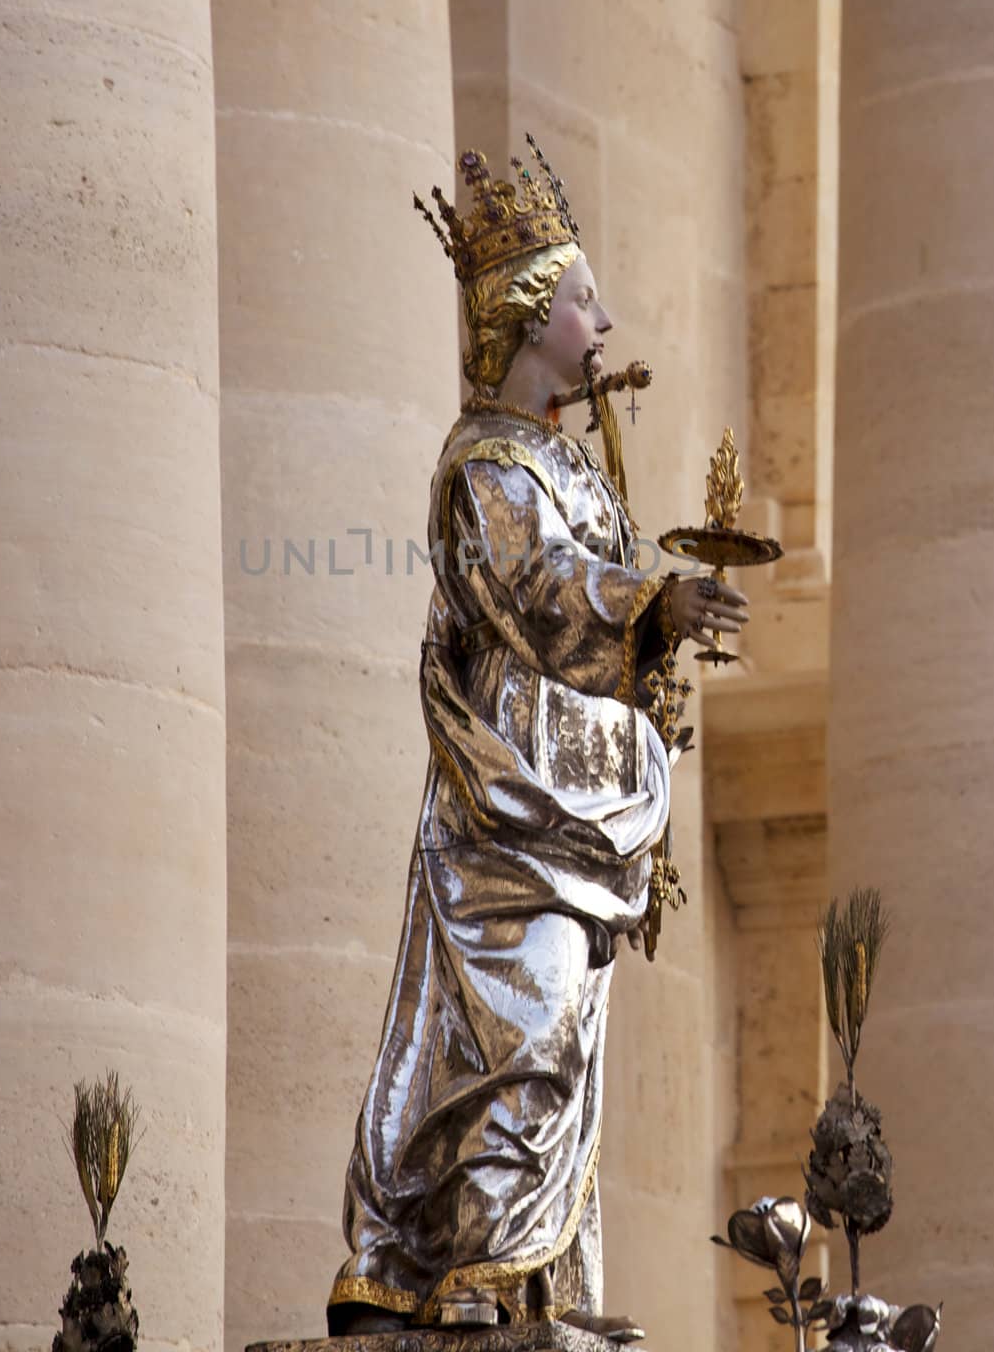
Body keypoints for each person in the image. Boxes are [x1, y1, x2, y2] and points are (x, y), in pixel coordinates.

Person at [327, 141, 747, 1338]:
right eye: (580, 296)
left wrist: (667, 635)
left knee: (563, 1042)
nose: (603, 317)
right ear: (525, 314)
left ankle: (532, 1281)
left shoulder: (567, 460)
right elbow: (544, 590)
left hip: (581, 800)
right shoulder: (486, 468)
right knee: (527, 1020)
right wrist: (649, 606)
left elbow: (599, 588)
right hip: (512, 804)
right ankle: (474, 1267)